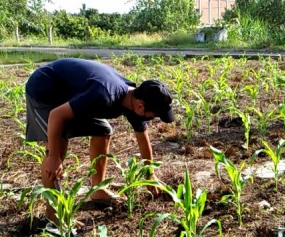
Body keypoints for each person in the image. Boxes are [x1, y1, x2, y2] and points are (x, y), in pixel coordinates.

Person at [25, 57, 174, 223]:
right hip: (45, 88)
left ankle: (98, 189)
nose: (151, 119)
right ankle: (54, 215)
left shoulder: (133, 98)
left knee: (103, 131)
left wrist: (150, 174)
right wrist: (53, 156)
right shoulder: (104, 95)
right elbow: (56, 114)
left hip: (73, 92)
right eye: (153, 116)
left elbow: (142, 137)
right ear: (141, 106)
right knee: (57, 147)